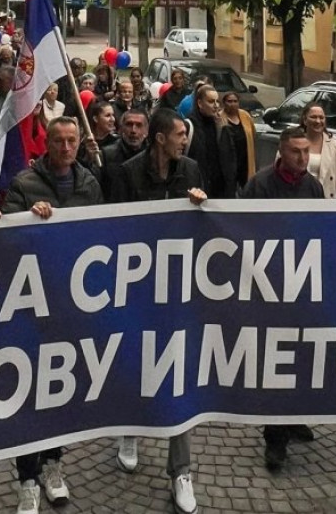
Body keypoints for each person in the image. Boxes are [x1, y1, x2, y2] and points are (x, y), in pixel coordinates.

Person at [3, 117, 102, 512]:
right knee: (30, 393)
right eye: (58, 140)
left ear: (79, 143)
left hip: (70, 305)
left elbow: (102, 235)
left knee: (59, 391)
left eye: (71, 140)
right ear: (47, 143)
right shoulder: (25, 183)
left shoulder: (89, 184)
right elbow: (7, 236)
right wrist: (28, 219)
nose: (65, 147)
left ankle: (53, 465)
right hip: (31, 305)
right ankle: (27, 478)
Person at [113, 106, 204, 513]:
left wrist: (199, 206)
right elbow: (112, 228)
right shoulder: (127, 173)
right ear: (161, 138)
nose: (185, 140)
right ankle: (129, 429)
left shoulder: (192, 170)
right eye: (180, 134)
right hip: (137, 288)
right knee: (136, 360)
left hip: (178, 290)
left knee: (177, 373)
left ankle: (181, 470)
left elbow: (203, 228)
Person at [242, 126, 323, 472]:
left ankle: (294, 416)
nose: (302, 158)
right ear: (281, 152)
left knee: (302, 354)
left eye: (306, 152)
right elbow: (241, 229)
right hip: (269, 285)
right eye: (295, 152)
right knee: (276, 359)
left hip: (302, 286)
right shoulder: (259, 185)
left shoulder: (313, 187)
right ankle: (275, 437)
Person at [186, 86, 236, 198]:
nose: (216, 105)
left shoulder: (220, 126)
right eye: (211, 101)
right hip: (196, 192)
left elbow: (229, 160)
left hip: (219, 192)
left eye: (217, 101)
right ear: (200, 103)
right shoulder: (189, 126)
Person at [300, 101, 336, 198]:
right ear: (305, 120)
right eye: (313, 117)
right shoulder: (293, 143)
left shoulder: (335, 146)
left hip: (327, 202)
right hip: (301, 200)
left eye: (321, 117)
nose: (318, 121)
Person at [221, 90, 256, 191]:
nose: (232, 104)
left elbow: (253, 134)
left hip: (245, 161)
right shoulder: (219, 118)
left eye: (235, 101)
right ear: (224, 103)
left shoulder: (245, 116)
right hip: (229, 162)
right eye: (229, 101)